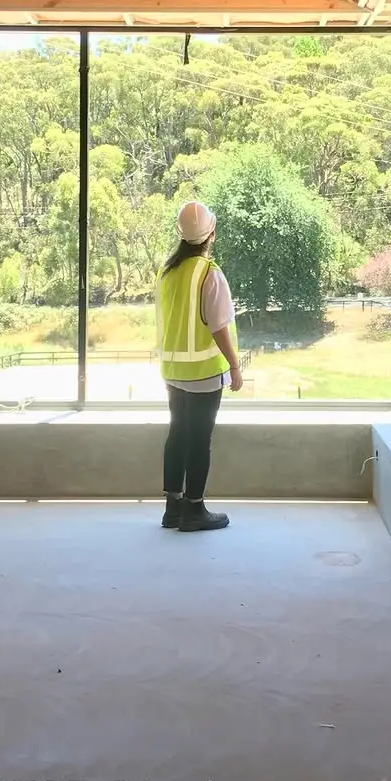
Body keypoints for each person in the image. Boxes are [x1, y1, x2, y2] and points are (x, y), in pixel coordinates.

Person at [155, 200, 243, 532]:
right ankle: (194, 509)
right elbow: (218, 326)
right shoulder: (209, 273)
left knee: (177, 433)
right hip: (204, 373)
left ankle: (173, 508)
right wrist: (235, 366)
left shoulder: (169, 272)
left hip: (173, 371)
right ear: (212, 234)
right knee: (199, 439)